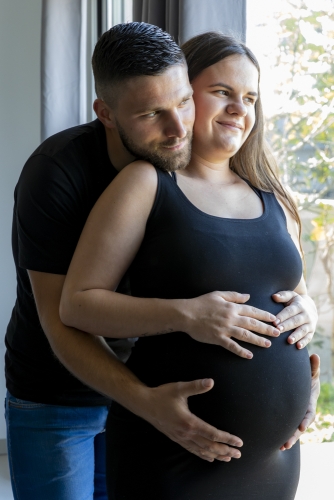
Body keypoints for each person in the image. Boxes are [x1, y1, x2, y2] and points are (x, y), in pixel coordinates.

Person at [5, 22, 318, 500]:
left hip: (173, 400)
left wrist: (303, 315)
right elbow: (64, 319)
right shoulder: (62, 175)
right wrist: (147, 403)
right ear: (106, 114)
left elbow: (256, 278)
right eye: (153, 113)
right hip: (61, 392)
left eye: (183, 104)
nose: (178, 128)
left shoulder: (252, 190)